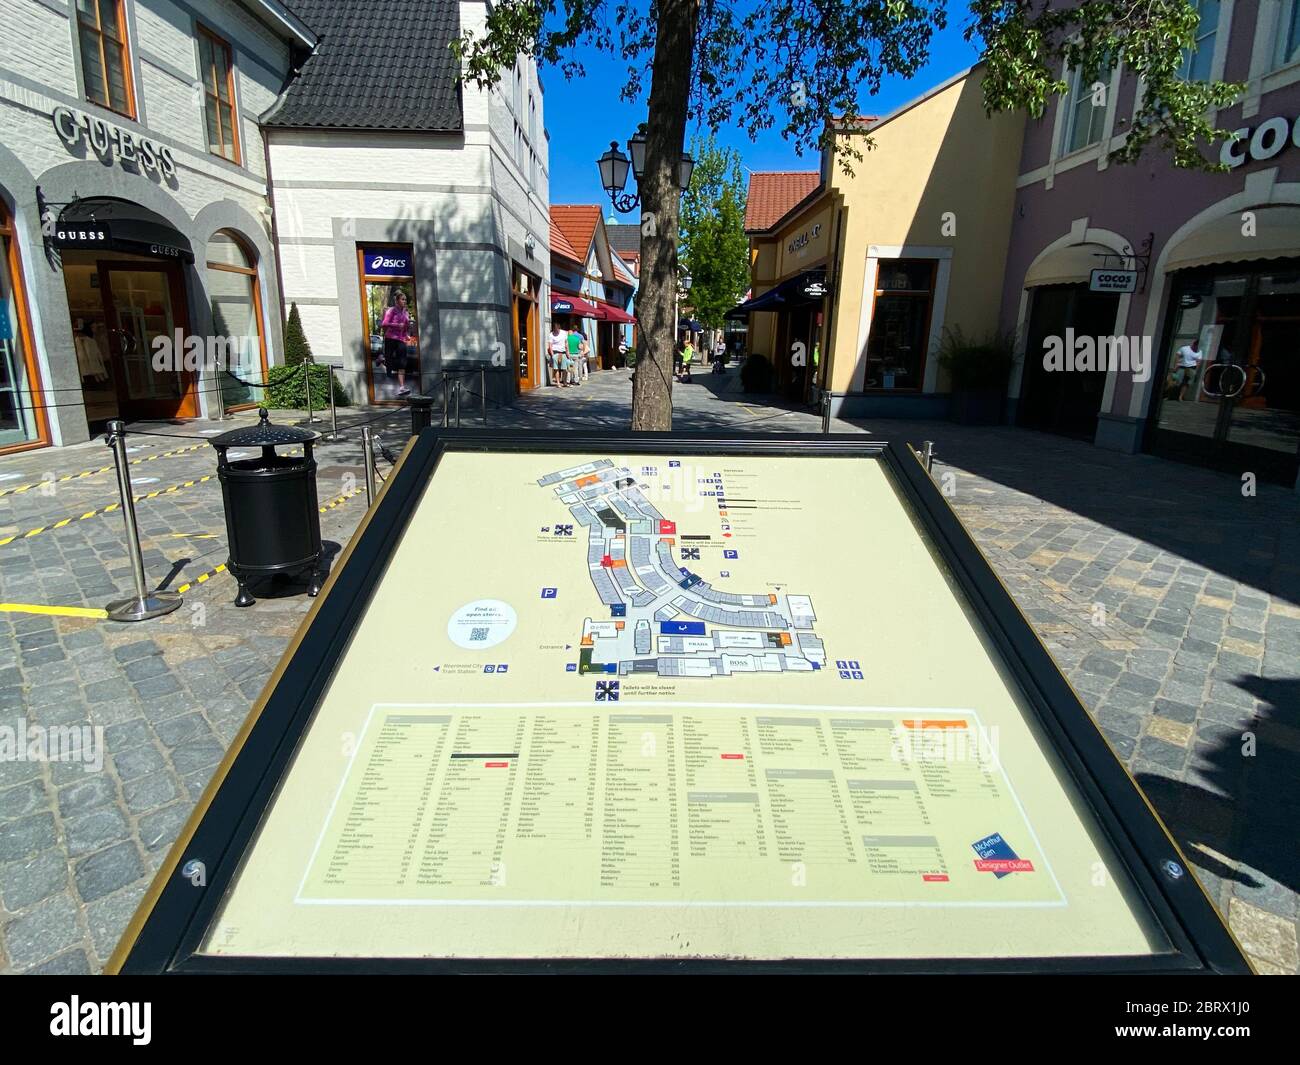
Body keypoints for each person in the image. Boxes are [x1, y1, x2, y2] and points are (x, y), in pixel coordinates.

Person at [380, 291, 413, 397]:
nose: (405, 301)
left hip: (401, 339)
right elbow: (384, 323)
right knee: (389, 361)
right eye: (403, 299)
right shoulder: (391, 311)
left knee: (402, 363)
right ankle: (382, 359)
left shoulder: (406, 312)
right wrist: (396, 325)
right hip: (390, 338)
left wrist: (407, 333)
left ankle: (402, 387)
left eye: (405, 300)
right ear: (397, 301)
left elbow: (406, 326)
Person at [547, 323, 567, 387]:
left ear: (559, 328)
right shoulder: (551, 335)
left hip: (563, 352)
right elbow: (550, 345)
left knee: (565, 368)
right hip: (555, 352)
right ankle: (558, 383)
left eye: (557, 330)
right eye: (555, 330)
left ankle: (564, 382)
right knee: (556, 369)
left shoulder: (564, 333)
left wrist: (568, 353)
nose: (556, 332)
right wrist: (552, 355)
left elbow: (566, 343)